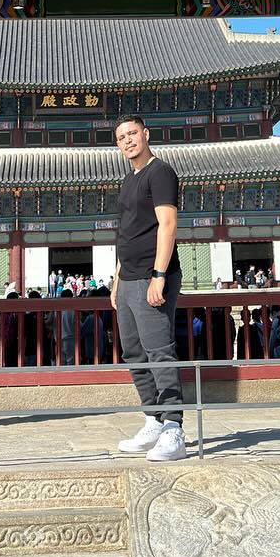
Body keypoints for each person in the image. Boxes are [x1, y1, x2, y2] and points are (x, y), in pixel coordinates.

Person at [111, 114, 186, 462]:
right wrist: (116, 278)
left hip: (152, 276)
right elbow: (126, 233)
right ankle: (153, 419)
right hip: (128, 279)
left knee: (159, 350)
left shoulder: (161, 173)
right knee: (134, 353)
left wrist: (159, 274)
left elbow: (167, 225)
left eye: (132, 133)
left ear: (146, 134)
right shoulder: (129, 181)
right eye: (121, 137)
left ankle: (174, 427)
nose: (128, 140)